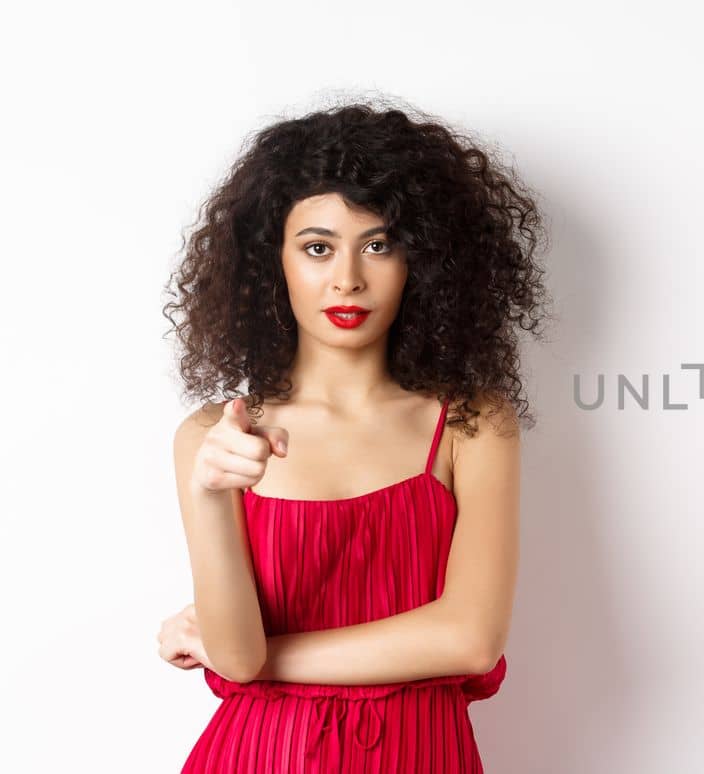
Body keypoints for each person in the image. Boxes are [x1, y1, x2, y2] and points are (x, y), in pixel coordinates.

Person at [155, 96, 551, 772]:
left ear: (422, 260)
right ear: (271, 261)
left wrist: (255, 655)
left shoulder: (470, 424)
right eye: (317, 247)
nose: (348, 279)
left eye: (379, 244)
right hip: (257, 756)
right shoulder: (214, 437)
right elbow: (238, 658)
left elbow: (470, 639)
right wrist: (214, 495)